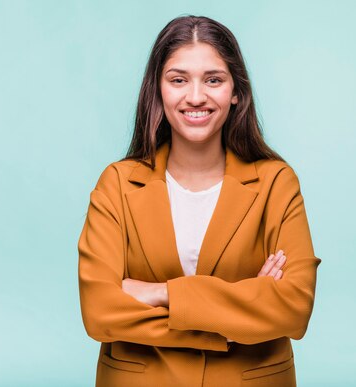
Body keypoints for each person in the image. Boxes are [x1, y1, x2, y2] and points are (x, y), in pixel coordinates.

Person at [77, 15, 321, 387]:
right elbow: (100, 311)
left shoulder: (276, 183)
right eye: (178, 80)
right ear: (157, 90)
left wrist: (160, 293)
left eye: (214, 79)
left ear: (236, 91)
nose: (195, 96)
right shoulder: (117, 184)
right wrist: (236, 315)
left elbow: (293, 307)